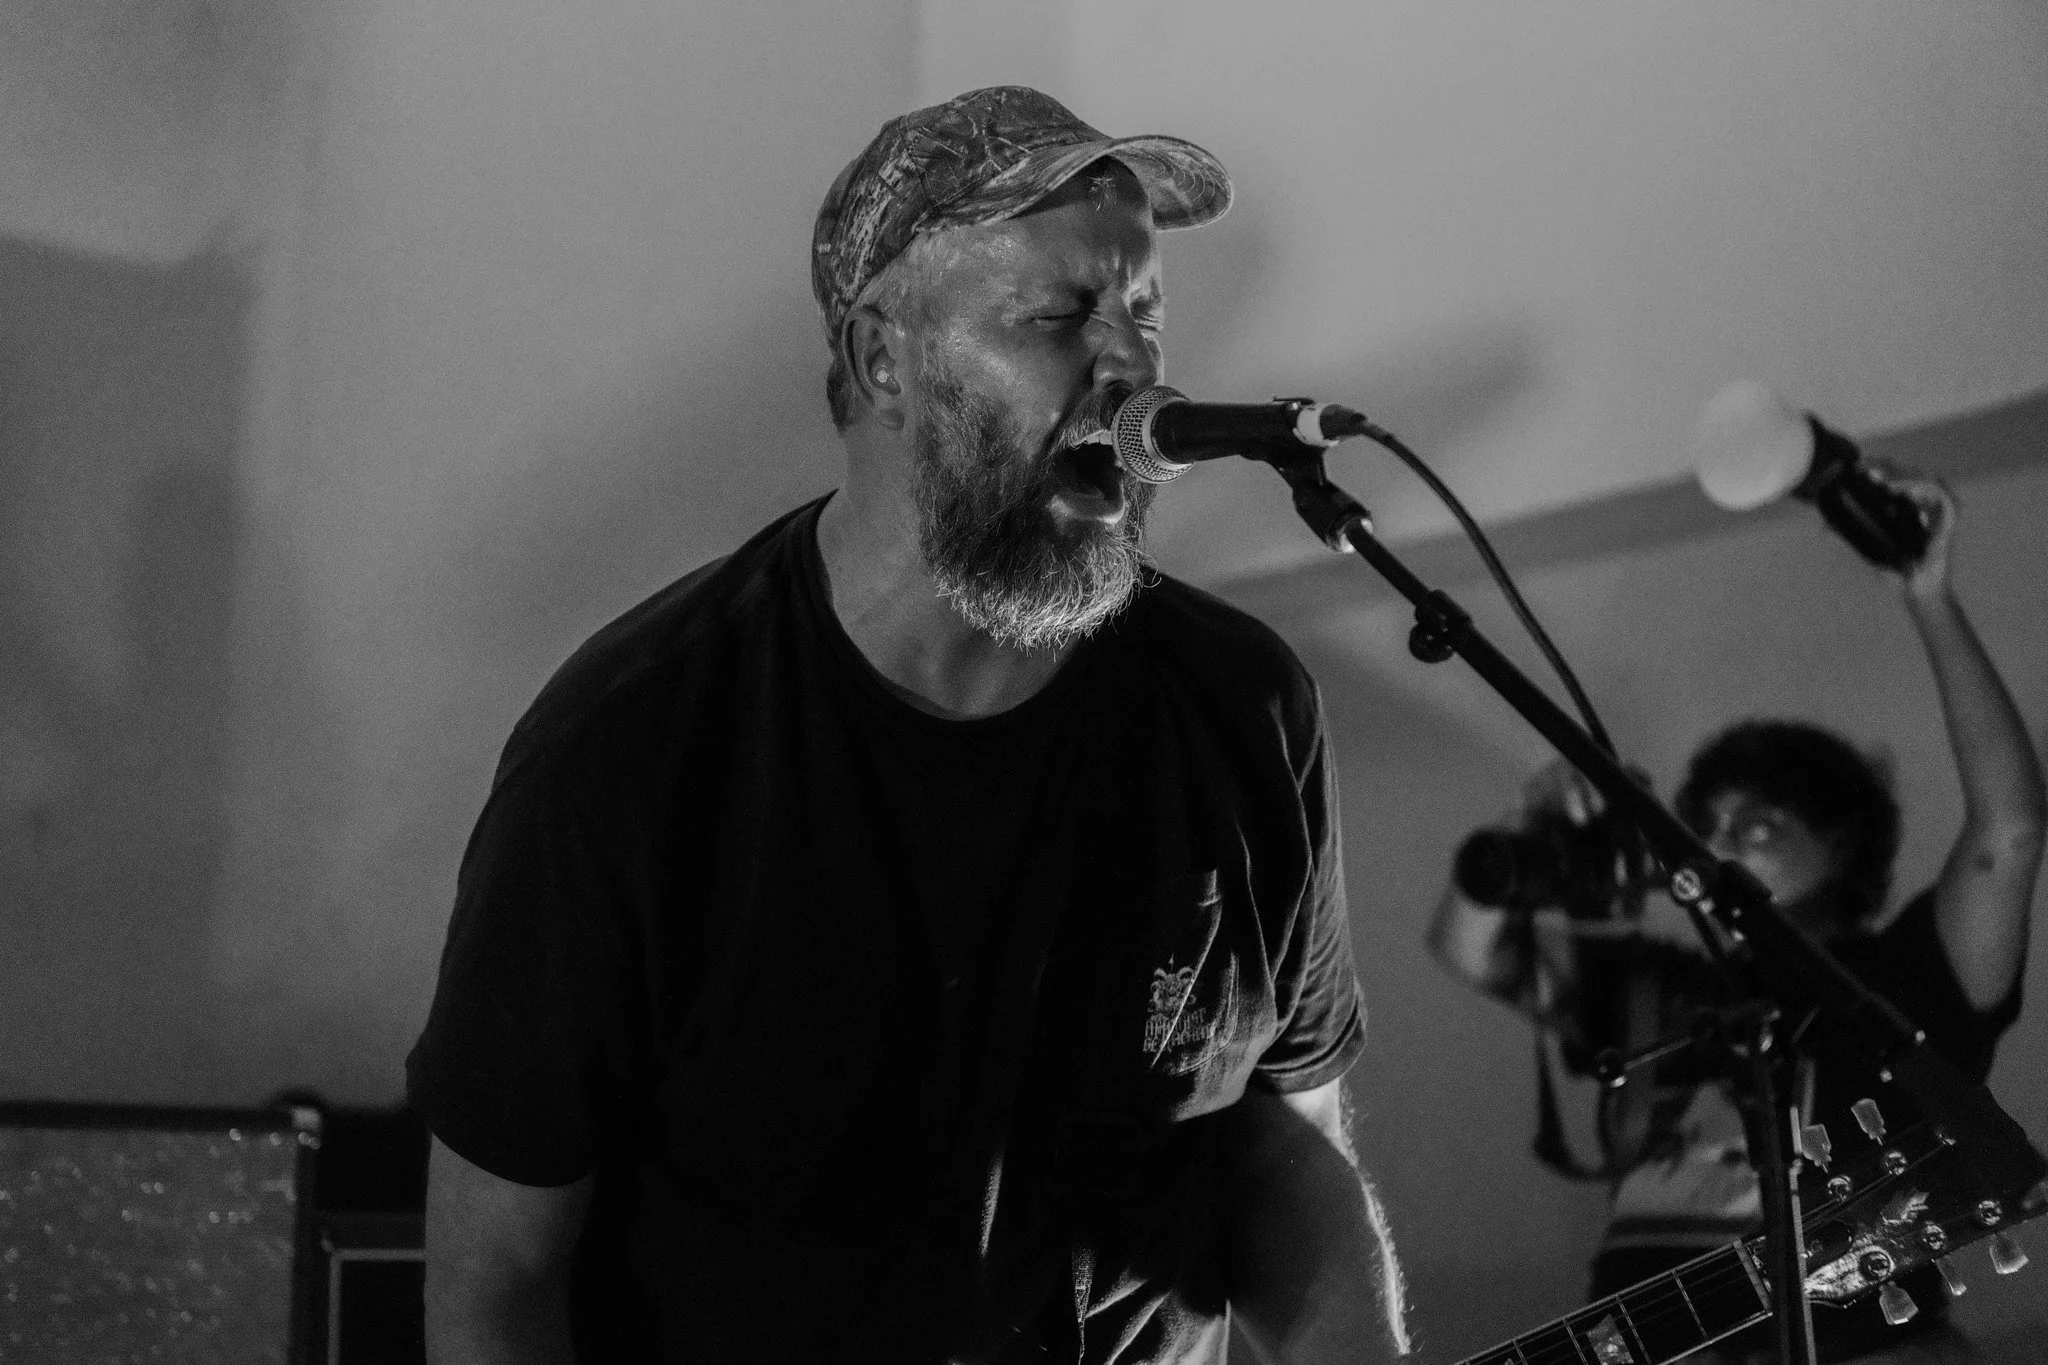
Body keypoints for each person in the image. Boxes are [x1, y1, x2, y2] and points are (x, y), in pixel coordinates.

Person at [408, 86, 1414, 1364]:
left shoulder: (1241, 706)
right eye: (1056, 317)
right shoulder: (631, 752)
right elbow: (495, 1282)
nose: (1131, 367)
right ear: (885, 359)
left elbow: (1274, 1134)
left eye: (1144, 313)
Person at [1428, 472, 2044, 1363]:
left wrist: (1930, 596)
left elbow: (2010, 833)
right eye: (1709, 822)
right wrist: (1524, 832)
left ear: (1840, 844)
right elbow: (1465, 945)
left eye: (1760, 821)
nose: (1721, 839)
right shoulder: (1661, 984)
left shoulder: (1902, 981)